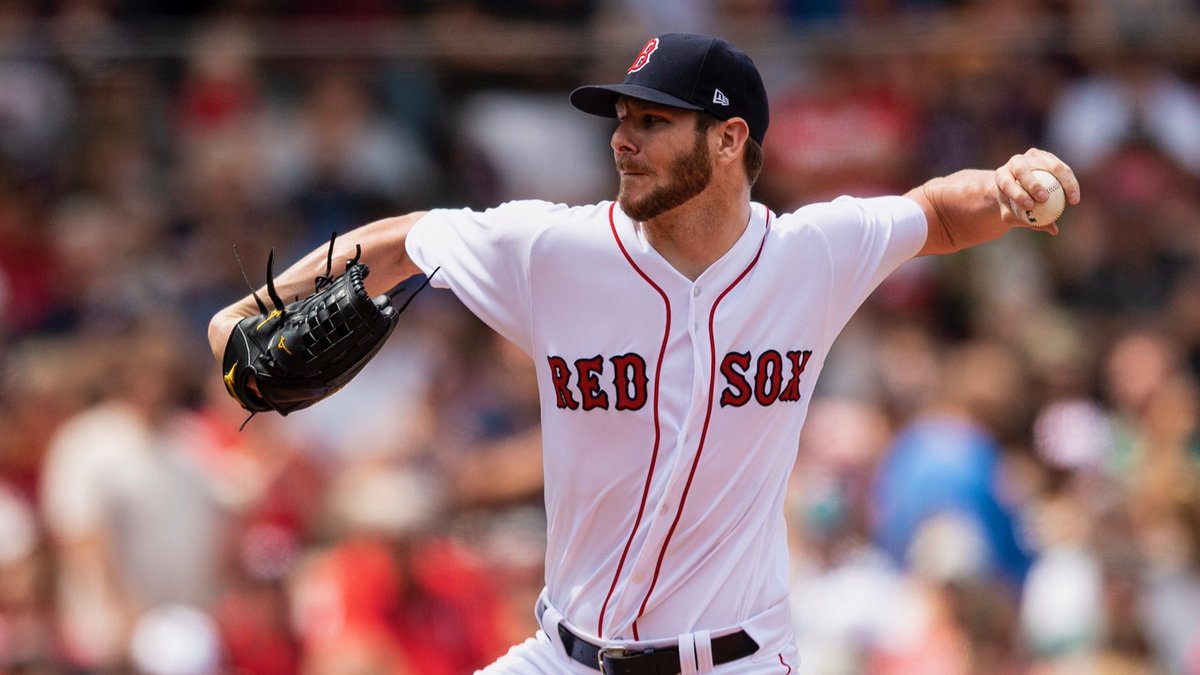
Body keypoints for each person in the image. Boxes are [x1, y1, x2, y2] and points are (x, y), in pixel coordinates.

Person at [208, 32, 1081, 675]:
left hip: (735, 658)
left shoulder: (811, 253)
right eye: (621, 117)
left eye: (654, 121)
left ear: (729, 139)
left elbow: (932, 213)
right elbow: (408, 238)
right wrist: (252, 312)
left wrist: (1004, 189)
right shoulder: (554, 249)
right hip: (564, 654)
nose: (623, 138)